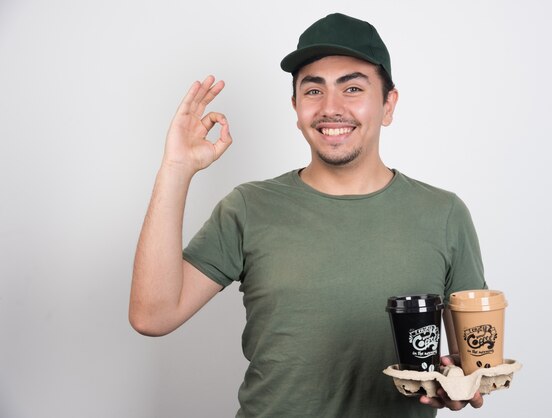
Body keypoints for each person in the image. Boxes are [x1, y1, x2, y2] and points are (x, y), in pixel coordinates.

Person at [130, 12, 487, 418]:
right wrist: (175, 169)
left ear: (388, 104)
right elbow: (152, 316)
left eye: (352, 88)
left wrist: (459, 386)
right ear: (296, 106)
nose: (331, 108)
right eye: (313, 91)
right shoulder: (249, 207)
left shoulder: (444, 215)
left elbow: (469, 364)